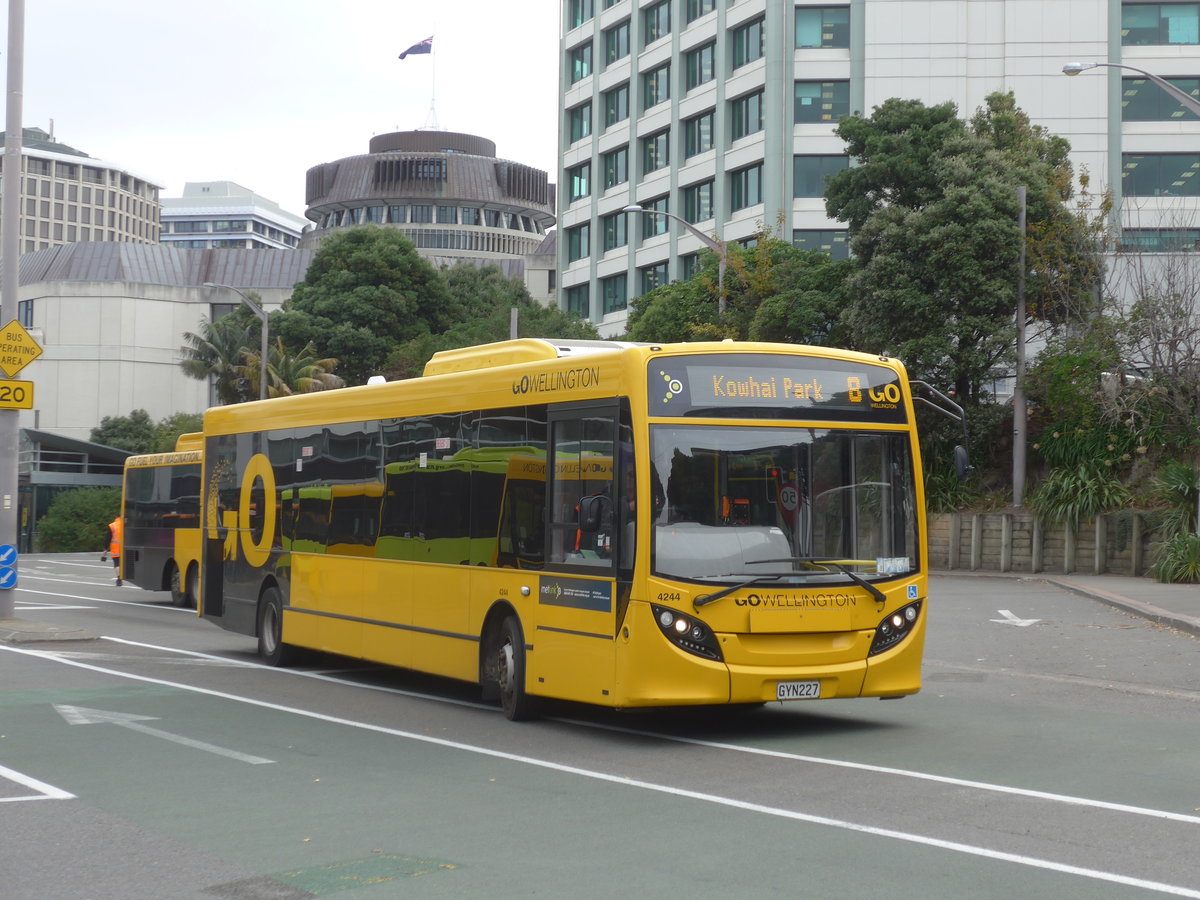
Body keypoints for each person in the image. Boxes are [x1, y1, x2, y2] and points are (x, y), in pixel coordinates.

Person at [105, 515, 123, 586]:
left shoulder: (112, 525)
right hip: (124, 547)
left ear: (116, 518)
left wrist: (106, 548)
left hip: (115, 547)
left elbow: (108, 538)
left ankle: (119, 579)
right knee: (123, 563)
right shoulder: (125, 525)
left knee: (117, 563)